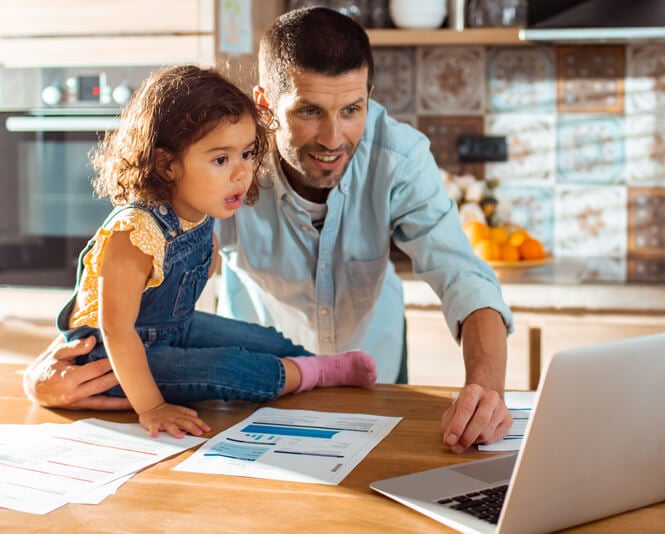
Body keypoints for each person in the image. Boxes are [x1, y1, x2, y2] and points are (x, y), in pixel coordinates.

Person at [24, 7, 513, 454]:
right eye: (307, 111)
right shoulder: (225, 161)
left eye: (352, 110)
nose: (332, 138)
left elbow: (462, 277)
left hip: (373, 379)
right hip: (245, 402)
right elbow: (115, 303)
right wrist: (39, 376)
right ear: (265, 104)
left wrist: (487, 388)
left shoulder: (400, 158)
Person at [50, 64, 376, 438]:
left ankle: (316, 370)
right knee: (228, 369)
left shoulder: (200, 207)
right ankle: (317, 373)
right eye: (221, 159)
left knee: (268, 342)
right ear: (166, 164)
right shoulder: (135, 233)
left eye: (248, 154)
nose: (241, 173)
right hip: (111, 354)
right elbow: (116, 328)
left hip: (173, 330)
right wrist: (153, 407)